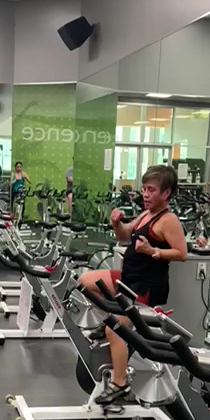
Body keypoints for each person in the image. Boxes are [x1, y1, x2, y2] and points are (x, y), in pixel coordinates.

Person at [78, 165, 187, 406]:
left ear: (166, 193)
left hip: (146, 286)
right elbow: (124, 235)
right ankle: (109, 318)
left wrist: (152, 250)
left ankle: (120, 384)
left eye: (151, 190)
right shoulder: (146, 214)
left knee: (115, 330)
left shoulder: (168, 220)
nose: (145, 194)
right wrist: (116, 223)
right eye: (144, 189)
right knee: (85, 281)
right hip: (127, 278)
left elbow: (181, 253)